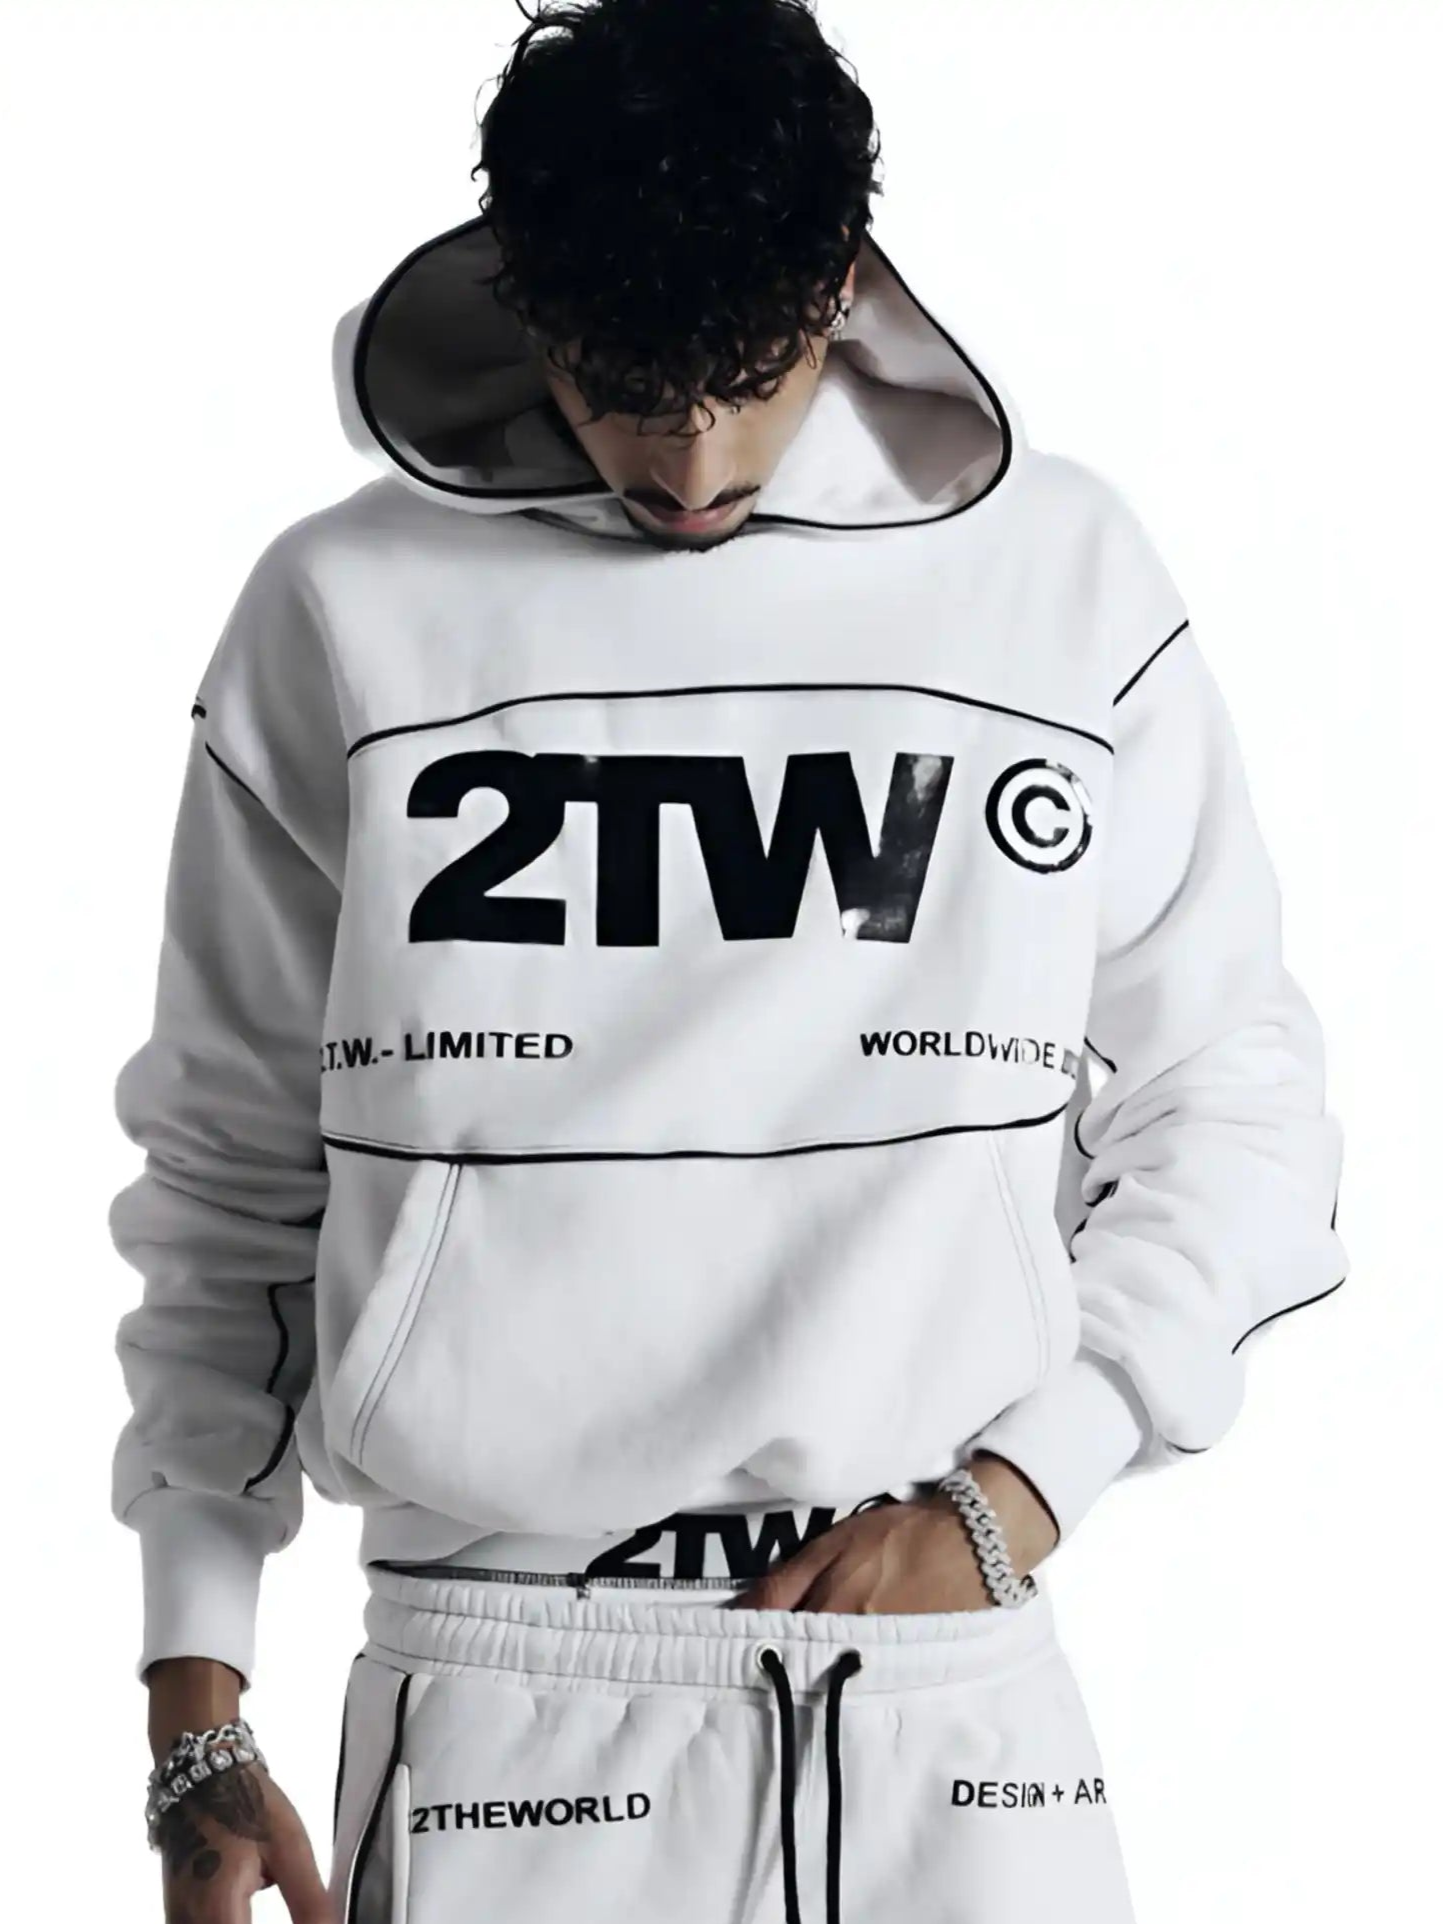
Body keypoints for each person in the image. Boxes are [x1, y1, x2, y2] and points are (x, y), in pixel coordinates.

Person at [109, 2, 1347, 1920]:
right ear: (526, 303)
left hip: (945, 1696)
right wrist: (195, 1696)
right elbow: (229, 1168)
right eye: (621, 387)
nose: (688, 465)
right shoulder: (345, 609)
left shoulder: (1058, 581)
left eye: (747, 382)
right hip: (501, 1691)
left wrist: (1030, 1486)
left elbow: (1233, 1102)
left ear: (840, 289)